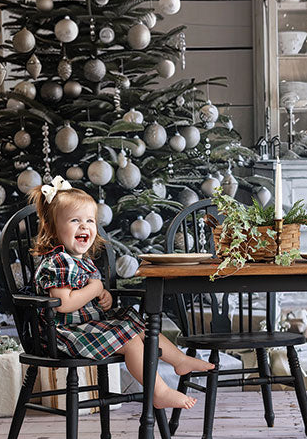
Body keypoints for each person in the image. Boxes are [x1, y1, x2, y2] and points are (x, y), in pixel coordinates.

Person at [30, 175, 214, 409]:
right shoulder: (58, 261)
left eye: (90, 220)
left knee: (133, 320)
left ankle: (179, 360)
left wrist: (102, 296)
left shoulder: (80, 261)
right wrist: (94, 288)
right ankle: (159, 391)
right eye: (75, 220)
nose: (85, 226)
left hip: (86, 326)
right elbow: (64, 304)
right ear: (54, 228)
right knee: (129, 337)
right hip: (63, 335)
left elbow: (87, 295)